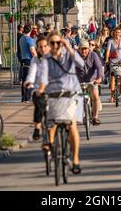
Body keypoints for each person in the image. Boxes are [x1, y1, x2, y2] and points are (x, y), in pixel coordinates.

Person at [37, 31, 84, 175]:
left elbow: (80, 64)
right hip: (54, 94)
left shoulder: (68, 55)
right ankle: (50, 143)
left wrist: (69, 48)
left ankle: (75, 160)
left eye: (59, 42)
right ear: (49, 44)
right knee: (52, 120)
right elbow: (44, 77)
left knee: (72, 126)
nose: (56, 45)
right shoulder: (46, 59)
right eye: (52, 43)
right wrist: (41, 89)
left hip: (71, 94)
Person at [24, 36, 51, 141]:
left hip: (54, 89)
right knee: (39, 103)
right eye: (40, 47)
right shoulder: (35, 60)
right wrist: (28, 82)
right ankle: (37, 128)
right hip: (39, 89)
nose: (43, 49)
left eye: (45, 46)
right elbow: (31, 74)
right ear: (37, 48)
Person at [77, 40, 103, 125]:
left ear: (88, 49)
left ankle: (95, 117)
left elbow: (99, 67)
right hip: (79, 82)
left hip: (92, 81)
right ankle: (83, 115)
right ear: (79, 49)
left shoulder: (93, 55)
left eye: (85, 49)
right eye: (82, 49)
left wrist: (99, 78)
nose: (84, 51)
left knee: (95, 96)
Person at [105, 27, 121, 103]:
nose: (117, 34)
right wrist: (107, 59)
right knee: (112, 78)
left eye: (119, 32)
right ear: (113, 33)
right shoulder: (110, 40)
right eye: (116, 32)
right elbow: (108, 51)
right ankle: (111, 96)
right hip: (113, 61)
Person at [19, 25, 37, 102]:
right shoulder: (29, 40)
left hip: (23, 59)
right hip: (29, 60)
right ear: (30, 31)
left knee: (24, 79)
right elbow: (33, 51)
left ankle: (23, 96)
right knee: (30, 78)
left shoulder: (21, 39)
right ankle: (27, 97)